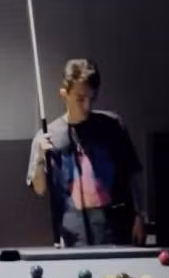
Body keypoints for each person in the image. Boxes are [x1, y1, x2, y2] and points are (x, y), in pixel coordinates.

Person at [27, 58, 146, 248]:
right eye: (80, 99)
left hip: (117, 231)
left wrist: (140, 215)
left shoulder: (113, 125)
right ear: (64, 94)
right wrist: (40, 157)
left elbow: (133, 173)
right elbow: (39, 189)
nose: (87, 106)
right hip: (74, 237)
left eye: (92, 98)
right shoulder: (47, 136)